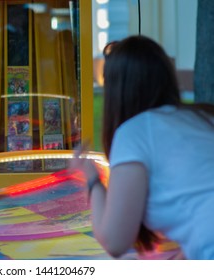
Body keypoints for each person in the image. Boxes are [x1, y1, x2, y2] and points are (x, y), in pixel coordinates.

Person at [70, 35, 214, 259]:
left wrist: (91, 179)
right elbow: (199, 208)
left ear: (117, 92)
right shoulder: (203, 117)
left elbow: (114, 240)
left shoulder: (134, 132)